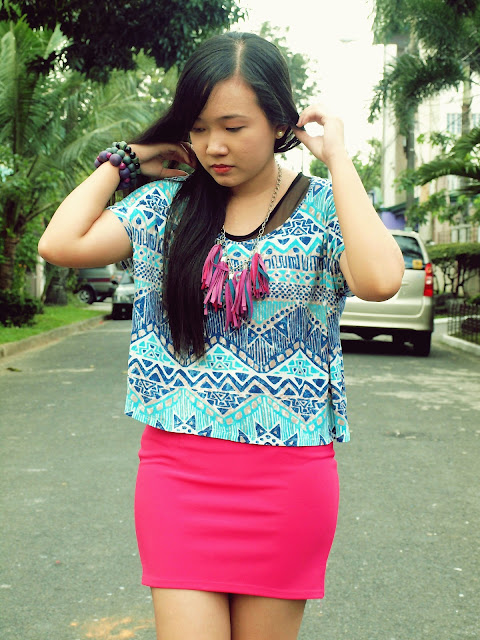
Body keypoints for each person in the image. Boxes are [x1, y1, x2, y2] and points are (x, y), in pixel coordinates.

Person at [38, 31, 404, 640]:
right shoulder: (167, 206)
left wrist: (339, 160)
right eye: (200, 127)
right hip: (177, 474)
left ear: (280, 122)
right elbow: (60, 243)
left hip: (288, 478)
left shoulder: (323, 208)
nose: (214, 146)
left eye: (234, 127)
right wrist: (125, 161)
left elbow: (382, 279)